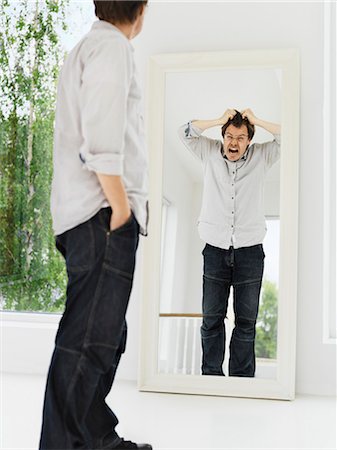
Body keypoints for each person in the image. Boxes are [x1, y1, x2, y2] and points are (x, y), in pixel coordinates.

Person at [39, 2, 151, 449]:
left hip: (91, 217)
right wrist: (121, 211)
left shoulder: (90, 48)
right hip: (102, 216)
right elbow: (102, 138)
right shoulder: (111, 48)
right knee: (89, 341)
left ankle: (95, 438)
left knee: (104, 337)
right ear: (141, 10)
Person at [178, 109, 281, 377]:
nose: (234, 143)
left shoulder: (262, 156)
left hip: (250, 252)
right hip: (214, 250)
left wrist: (256, 120)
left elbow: (287, 136)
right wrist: (216, 121)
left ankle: (242, 380)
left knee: (246, 322)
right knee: (212, 320)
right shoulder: (209, 152)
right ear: (223, 137)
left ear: (249, 140)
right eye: (230, 136)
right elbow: (185, 132)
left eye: (241, 137)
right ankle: (211, 377)